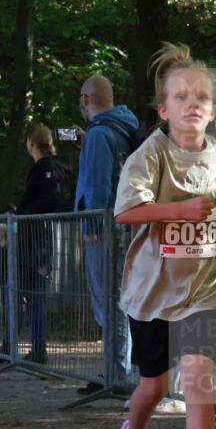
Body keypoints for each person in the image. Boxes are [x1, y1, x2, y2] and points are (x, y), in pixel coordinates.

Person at [115, 43, 216, 429]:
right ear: (164, 109)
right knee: (154, 387)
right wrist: (179, 211)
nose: (193, 104)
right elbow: (124, 213)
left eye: (202, 97)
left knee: (197, 379)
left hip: (205, 289)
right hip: (153, 290)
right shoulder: (150, 154)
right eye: (182, 97)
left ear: (213, 109)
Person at [75, 74, 141, 394]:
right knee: (119, 299)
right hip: (125, 227)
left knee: (110, 300)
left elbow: (98, 187)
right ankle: (119, 370)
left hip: (106, 231)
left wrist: (92, 228)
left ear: (86, 100)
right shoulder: (123, 129)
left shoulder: (100, 134)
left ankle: (116, 374)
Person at [0, 124, 72, 363]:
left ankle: (14, 346)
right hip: (41, 242)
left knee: (17, 293)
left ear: (31, 143)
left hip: (31, 244)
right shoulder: (59, 167)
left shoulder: (44, 168)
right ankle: (33, 348)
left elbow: (50, 199)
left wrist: (21, 214)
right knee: (33, 296)